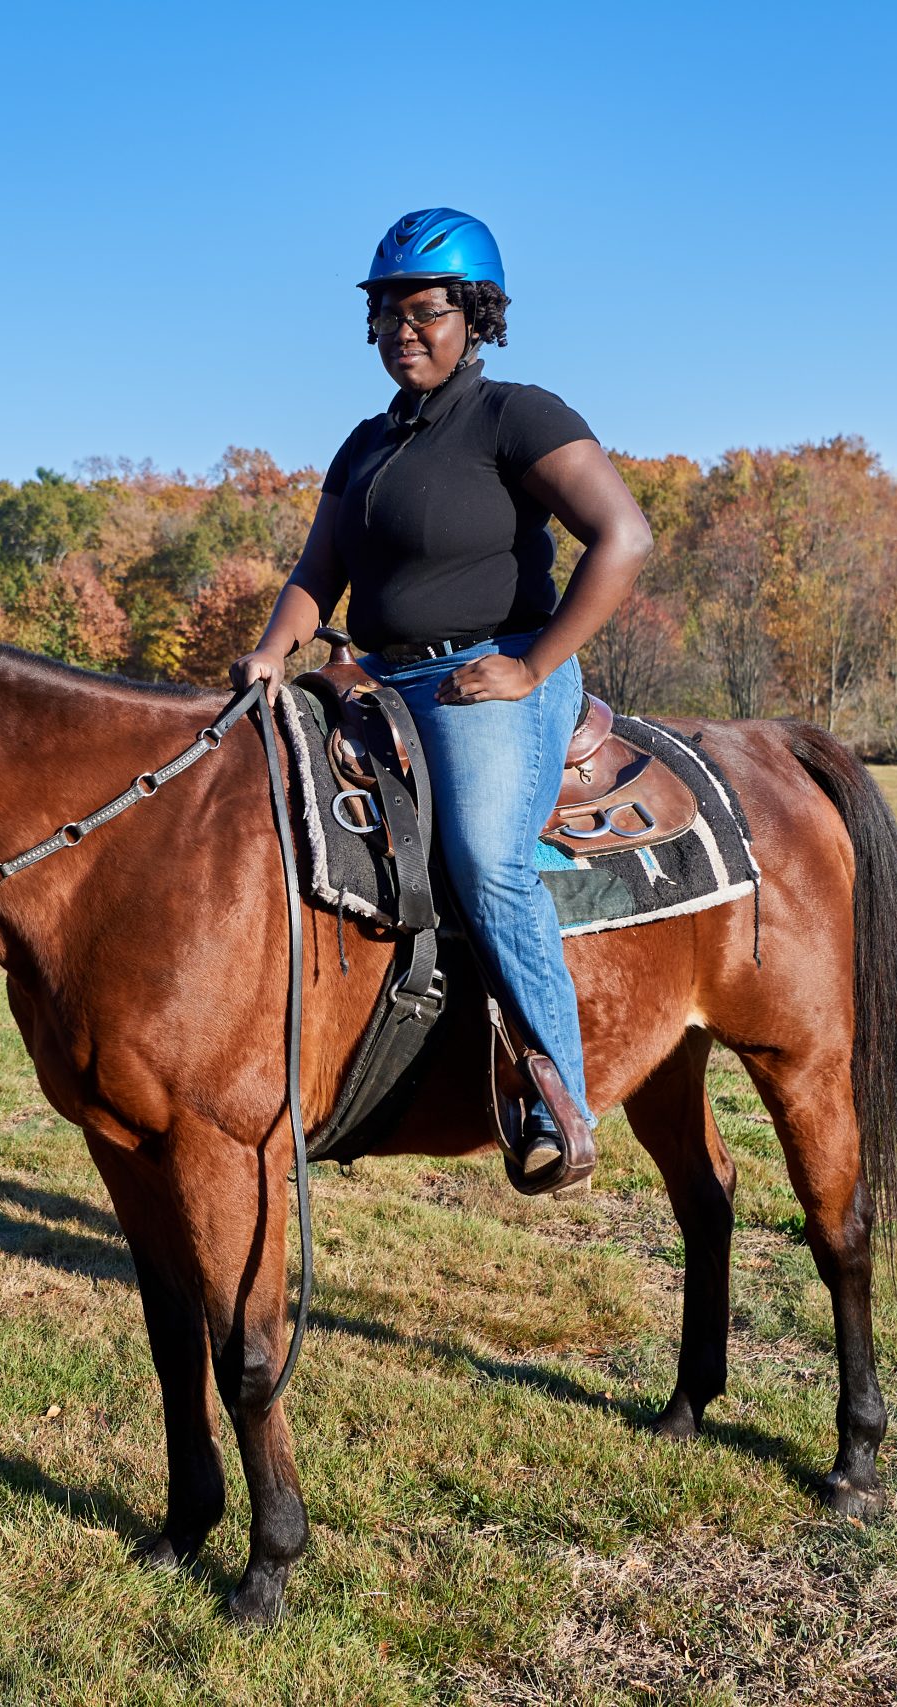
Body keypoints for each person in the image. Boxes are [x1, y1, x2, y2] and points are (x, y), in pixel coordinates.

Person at [232, 207, 654, 1192]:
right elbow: (316, 573)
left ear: (475, 316)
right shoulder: (363, 445)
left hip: (487, 678)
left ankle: (558, 1101)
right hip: (375, 681)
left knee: (484, 858)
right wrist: (266, 653)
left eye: (425, 312)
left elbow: (622, 539)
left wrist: (532, 664)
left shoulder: (518, 415)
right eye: (386, 316)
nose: (402, 333)